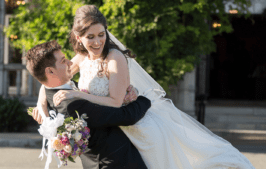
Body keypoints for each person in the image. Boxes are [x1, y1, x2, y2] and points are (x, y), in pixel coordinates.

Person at [36, 5, 255, 169]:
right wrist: (41, 103)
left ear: (107, 32)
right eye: (90, 37)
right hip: (114, 132)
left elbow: (114, 102)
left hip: (138, 128)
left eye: (101, 35)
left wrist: (76, 93)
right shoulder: (83, 57)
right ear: (78, 38)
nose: (96, 42)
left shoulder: (114, 58)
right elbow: (55, 79)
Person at [26, 40, 151, 169]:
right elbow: (126, 116)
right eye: (63, 61)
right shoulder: (71, 104)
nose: (70, 62)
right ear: (50, 72)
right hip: (116, 163)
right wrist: (145, 99)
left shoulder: (50, 95)